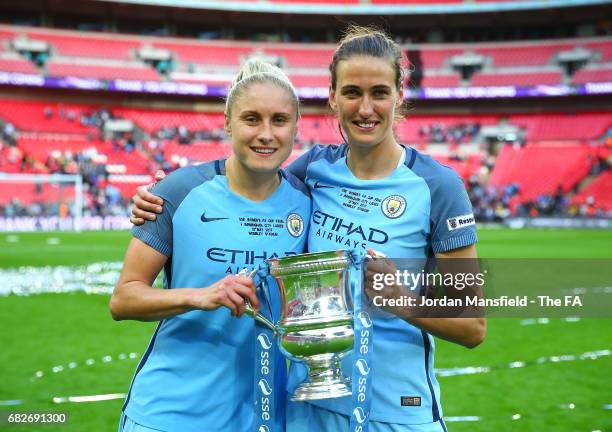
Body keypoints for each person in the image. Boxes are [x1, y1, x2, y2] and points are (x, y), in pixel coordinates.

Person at [131, 26, 485, 432]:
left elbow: (472, 326)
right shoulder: (313, 170)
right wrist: (160, 194)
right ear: (333, 97)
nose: (365, 108)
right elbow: (247, 178)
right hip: (308, 411)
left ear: (400, 95)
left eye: (379, 92)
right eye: (352, 92)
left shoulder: (438, 187)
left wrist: (401, 299)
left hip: (396, 413)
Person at [111, 58, 310, 432]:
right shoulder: (178, 191)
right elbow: (123, 299)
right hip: (171, 414)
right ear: (227, 121)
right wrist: (199, 296)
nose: (266, 134)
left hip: (264, 417)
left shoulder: (308, 201)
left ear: (295, 127)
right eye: (251, 118)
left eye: (279, 120)